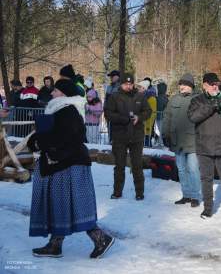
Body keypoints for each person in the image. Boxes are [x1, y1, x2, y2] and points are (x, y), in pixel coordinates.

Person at [27, 78, 114, 259]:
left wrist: (43, 144)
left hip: (70, 164)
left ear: (64, 93)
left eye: (56, 91)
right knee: (59, 203)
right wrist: (36, 141)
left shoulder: (68, 111)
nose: (51, 93)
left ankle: (101, 239)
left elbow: (68, 137)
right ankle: (55, 244)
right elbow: (49, 134)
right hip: (61, 163)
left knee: (75, 204)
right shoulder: (58, 110)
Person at [188, 72, 221, 221]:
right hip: (204, 147)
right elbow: (193, 117)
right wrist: (211, 106)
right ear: (204, 85)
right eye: (212, 84)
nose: (215, 87)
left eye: (217, 84)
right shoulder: (197, 100)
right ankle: (207, 209)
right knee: (206, 179)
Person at [104, 73, 151, 200]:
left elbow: (148, 111)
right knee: (119, 165)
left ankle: (139, 193)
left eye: (130, 84)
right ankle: (117, 191)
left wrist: (139, 117)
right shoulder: (114, 96)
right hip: (120, 136)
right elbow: (108, 113)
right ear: (121, 84)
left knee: (137, 165)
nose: (128, 86)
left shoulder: (140, 96)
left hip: (136, 136)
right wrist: (123, 119)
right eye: (126, 84)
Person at [162, 73, 201, 207]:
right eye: (180, 84)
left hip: (193, 141)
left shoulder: (198, 99)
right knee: (181, 170)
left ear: (191, 86)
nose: (181, 86)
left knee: (193, 169)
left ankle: (195, 196)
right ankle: (186, 195)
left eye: (184, 84)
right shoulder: (174, 99)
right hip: (177, 141)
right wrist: (165, 135)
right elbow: (167, 118)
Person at [137, 79, 157, 146]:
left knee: (147, 133)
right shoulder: (145, 96)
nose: (138, 89)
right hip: (144, 121)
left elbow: (150, 110)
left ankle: (148, 145)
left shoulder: (150, 97)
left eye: (140, 87)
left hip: (147, 120)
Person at [104, 70, 121, 143]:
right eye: (110, 76)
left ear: (117, 77)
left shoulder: (121, 87)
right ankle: (110, 141)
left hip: (117, 113)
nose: (111, 78)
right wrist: (105, 109)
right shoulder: (109, 87)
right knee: (110, 129)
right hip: (109, 112)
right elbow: (106, 99)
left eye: (112, 76)